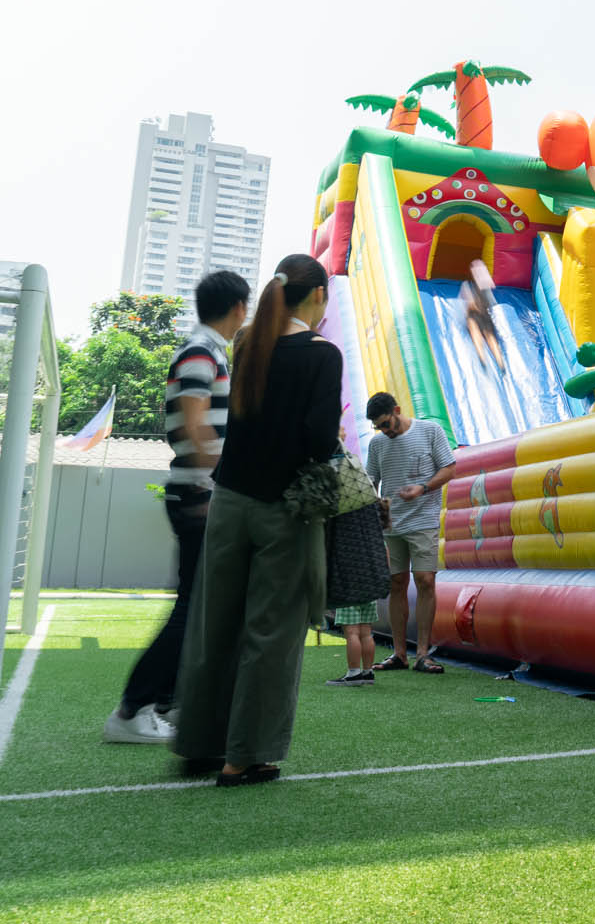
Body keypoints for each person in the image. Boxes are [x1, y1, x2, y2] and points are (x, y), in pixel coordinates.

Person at [171, 254, 342, 787]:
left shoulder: (245, 343)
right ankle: (245, 756)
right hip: (283, 508)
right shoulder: (322, 354)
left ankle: (199, 743)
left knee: (214, 625)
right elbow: (319, 440)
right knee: (271, 633)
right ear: (318, 296)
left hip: (229, 501)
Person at [105, 271, 250, 745]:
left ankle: (160, 701)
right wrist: (211, 481)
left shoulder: (207, 350)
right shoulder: (201, 351)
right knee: (190, 608)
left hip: (196, 490)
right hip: (197, 492)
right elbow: (192, 420)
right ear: (238, 308)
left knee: (196, 606)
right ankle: (132, 709)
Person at [365, 392, 457, 673]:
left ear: (397, 410)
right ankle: (399, 653)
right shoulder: (378, 443)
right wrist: (375, 509)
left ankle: (423, 653)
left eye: (385, 423)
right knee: (396, 583)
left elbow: (449, 468)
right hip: (392, 524)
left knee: (425, 580)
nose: (384, 430)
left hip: (424, 520)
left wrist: (423, 488)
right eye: (378, 427)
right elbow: (371, 481)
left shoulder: (430, 430)